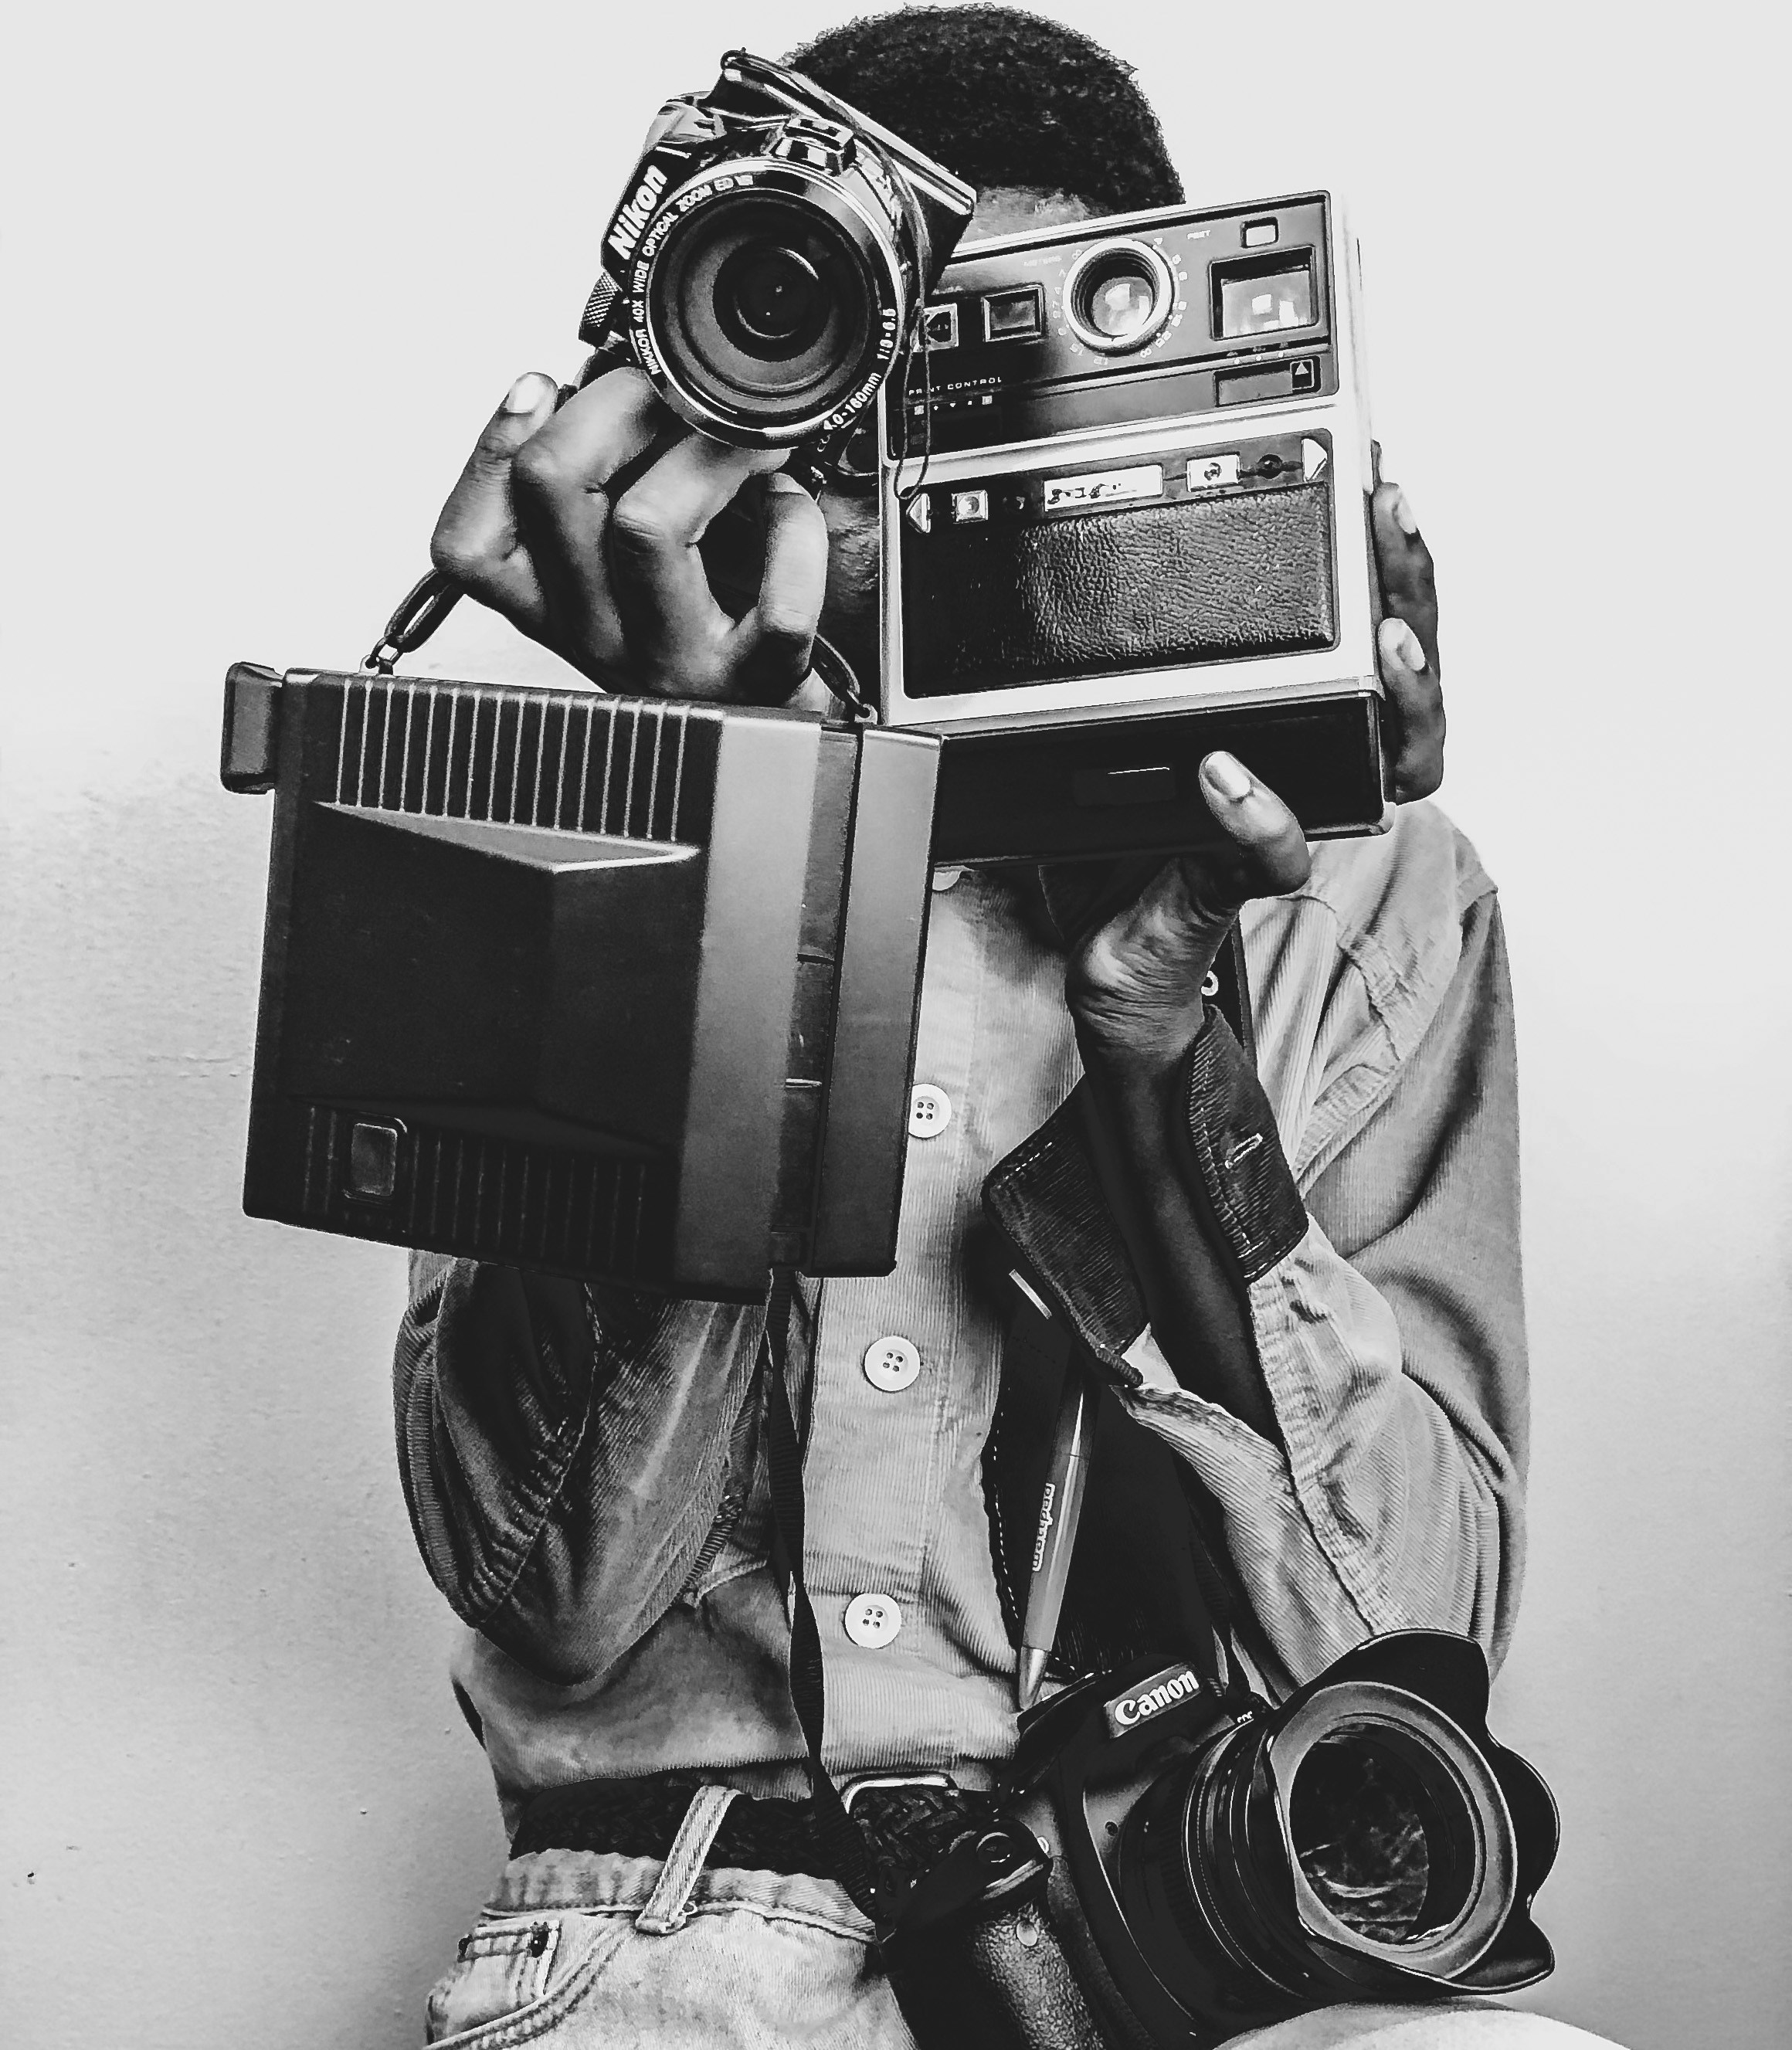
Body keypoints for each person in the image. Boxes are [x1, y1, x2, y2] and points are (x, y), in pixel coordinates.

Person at [393, 9, 1605, 2045]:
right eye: (850, 370)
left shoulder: (1368, 887)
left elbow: (1412, 1662)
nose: (909, 467)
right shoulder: (584, 835)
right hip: (664, 1947)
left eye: (997, 385)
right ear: (708, 373)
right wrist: (720, 847)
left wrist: (1168, 1064)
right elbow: (555, 1590)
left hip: (1180, 1926)